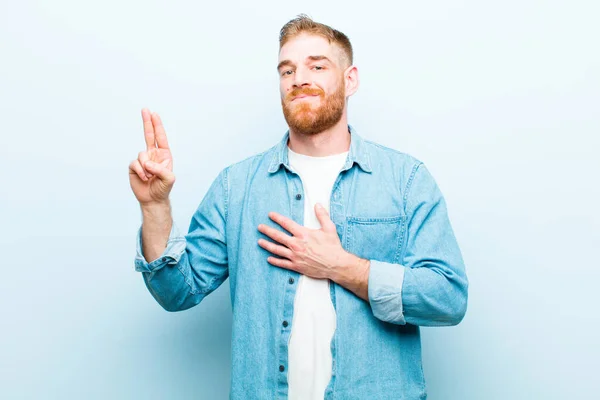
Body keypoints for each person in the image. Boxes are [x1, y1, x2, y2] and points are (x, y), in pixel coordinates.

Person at [129, 14, 468, 400]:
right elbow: (176, 292)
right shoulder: (235, 188)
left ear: (350, 79)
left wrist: (342, 267)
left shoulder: (405, 180)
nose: (298, 79)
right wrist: (156, 207)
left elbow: (448, 298)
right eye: (286, 70)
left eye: (317, 66)